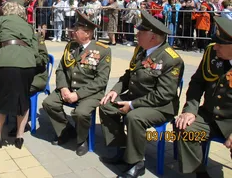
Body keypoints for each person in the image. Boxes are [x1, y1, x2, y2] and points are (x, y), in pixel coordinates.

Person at [99, 10, 184, 178]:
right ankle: (123, 149)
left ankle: (137, 163)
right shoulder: (141, 50)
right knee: (106, 106)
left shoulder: (171, 59)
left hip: (160, 106)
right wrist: (114, 91)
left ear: (153, 37)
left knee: (134, 117)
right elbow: (128, 74)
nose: (136, 34)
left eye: (140, 32)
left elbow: (163, 95)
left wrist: (131, 105)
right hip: (137, 96)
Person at [42, 10, 111, 157]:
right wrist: (63, 88)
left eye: (76, 29)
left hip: (90, 92)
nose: (72, 31)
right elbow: (61, 69)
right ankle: (66, 130)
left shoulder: (103, 50)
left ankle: (82, 140)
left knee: (80, 113)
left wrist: (78, 94)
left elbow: (101, 80)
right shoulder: (71, 46)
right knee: (49, 103)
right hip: (69, 88)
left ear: (87, 33)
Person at [175, 17, 232, 178]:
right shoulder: (211, 53)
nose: (216, 48)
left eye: (221, 44)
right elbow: (197, 83)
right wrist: (190, 110)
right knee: (184, 128)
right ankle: (199, 172)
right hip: (209, 116)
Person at [0, 0, 37, 150]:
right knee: (23, 100)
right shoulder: (28, 25)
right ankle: (19, 136)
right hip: (28, 63)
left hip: (7, 62)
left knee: (1, 100)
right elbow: (34, 48)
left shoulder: (0, 21)